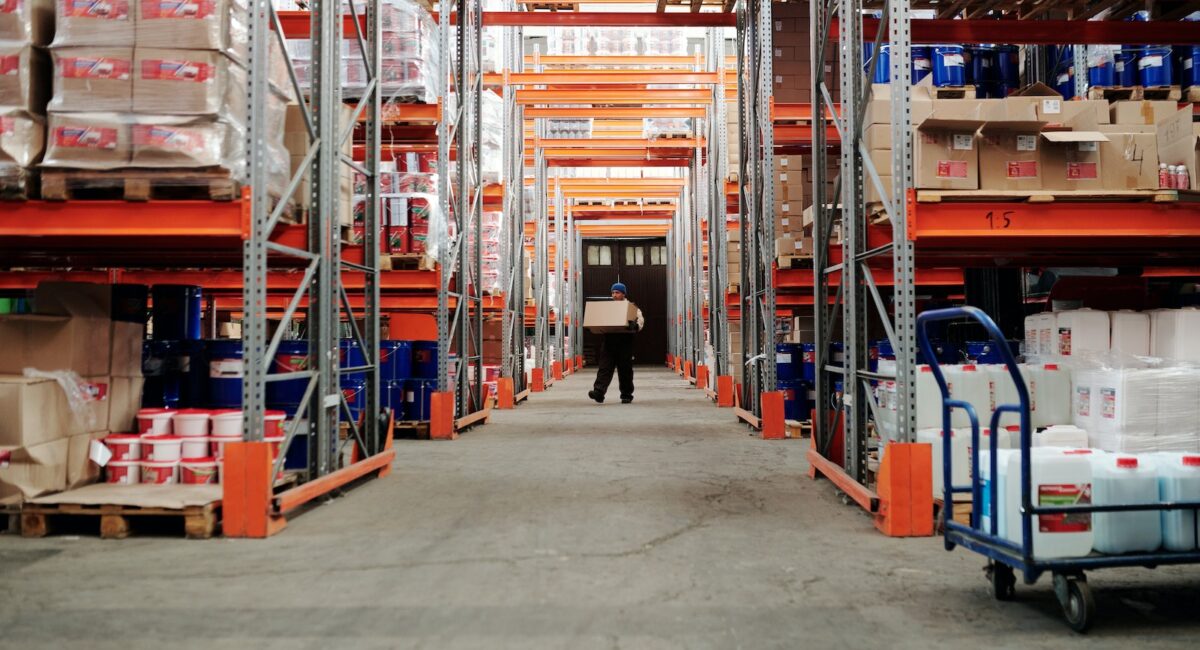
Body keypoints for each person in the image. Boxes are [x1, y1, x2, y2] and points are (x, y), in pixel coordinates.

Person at [589, 282, 644, 404]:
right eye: (613, 292)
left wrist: (635, 325)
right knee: (604, 367)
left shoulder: (631, 307)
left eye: (617, 292)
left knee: (625, 369)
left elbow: (640, 320)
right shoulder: (608, 308)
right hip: (609, 341)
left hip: (625, 341)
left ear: (623, 294)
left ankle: (626, 394)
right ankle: (599, 392)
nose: (614, 295)